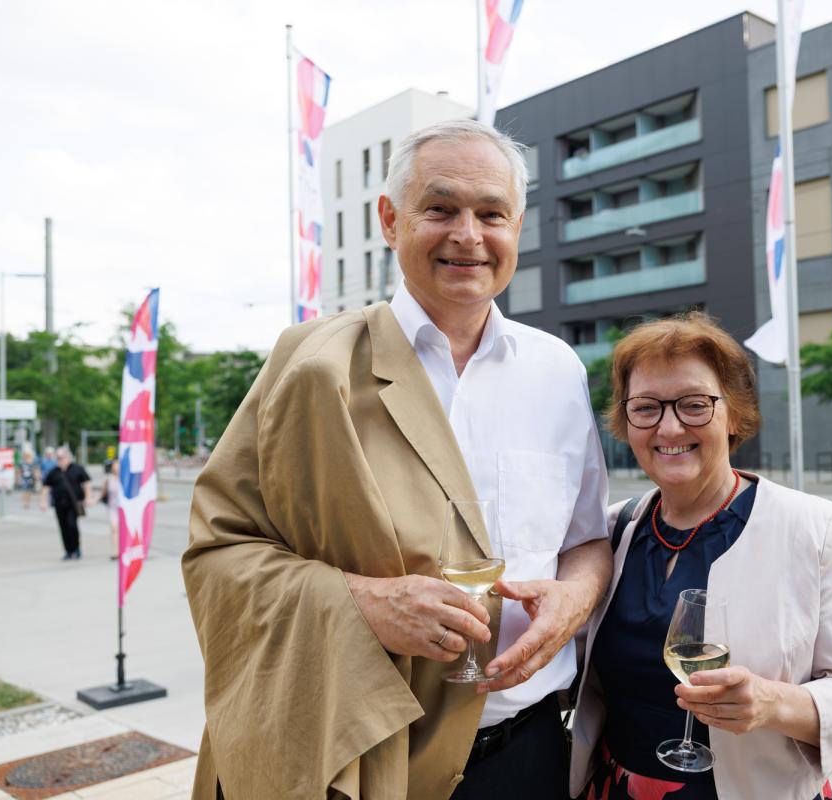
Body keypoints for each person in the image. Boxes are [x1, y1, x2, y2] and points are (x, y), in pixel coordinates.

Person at [183, 119, 611, 800]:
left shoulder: (557, 370)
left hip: (526, 753)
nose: (468, 235)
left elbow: (586, 539)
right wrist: (362, 603)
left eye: (491, 214)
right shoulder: (313, 366)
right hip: (364, 753)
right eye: (440, 209)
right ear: (389, 220)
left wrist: (575, 599)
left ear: (517, 227)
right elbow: (219, 554)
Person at [570, 313, 832, 800]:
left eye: (694, 405)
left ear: (736, 415)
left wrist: (774, 703)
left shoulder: (814, 528)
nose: (669, 426)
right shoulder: (612, 531)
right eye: (646, 407)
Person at [39, 446, 92, 560]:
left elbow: (87, 483)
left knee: (72, 525)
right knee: (63, 527)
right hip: (59, 504)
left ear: (67, 457)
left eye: (61, 457)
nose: (60, 460)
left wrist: (88, 497)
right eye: (58, 458)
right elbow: (46, 487)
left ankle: (76, 549)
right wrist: (43, 501)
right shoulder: (54, 472)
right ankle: (68, 551)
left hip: (73, 504)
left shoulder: (77, 469)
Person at [102, 459, 121, 559]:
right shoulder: (108, 479)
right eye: (115, 465)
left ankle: (124, 549)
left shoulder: (125, 477)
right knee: (114, 529)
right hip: (112, 508)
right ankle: (115, 551)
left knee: (123, 530)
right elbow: (103, 494)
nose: (116, 467)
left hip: (123, 509)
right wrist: (92, 500)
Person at [18, 445, 37, 510]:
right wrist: (18, 478)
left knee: (29, 491)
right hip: (24, 478)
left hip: (30, 478)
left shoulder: (32, 462)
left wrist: (35, 477)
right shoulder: (21, 462)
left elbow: (34, 470)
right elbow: (19, 470)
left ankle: (28, 502)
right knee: (24, 490)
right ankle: (25, 503)